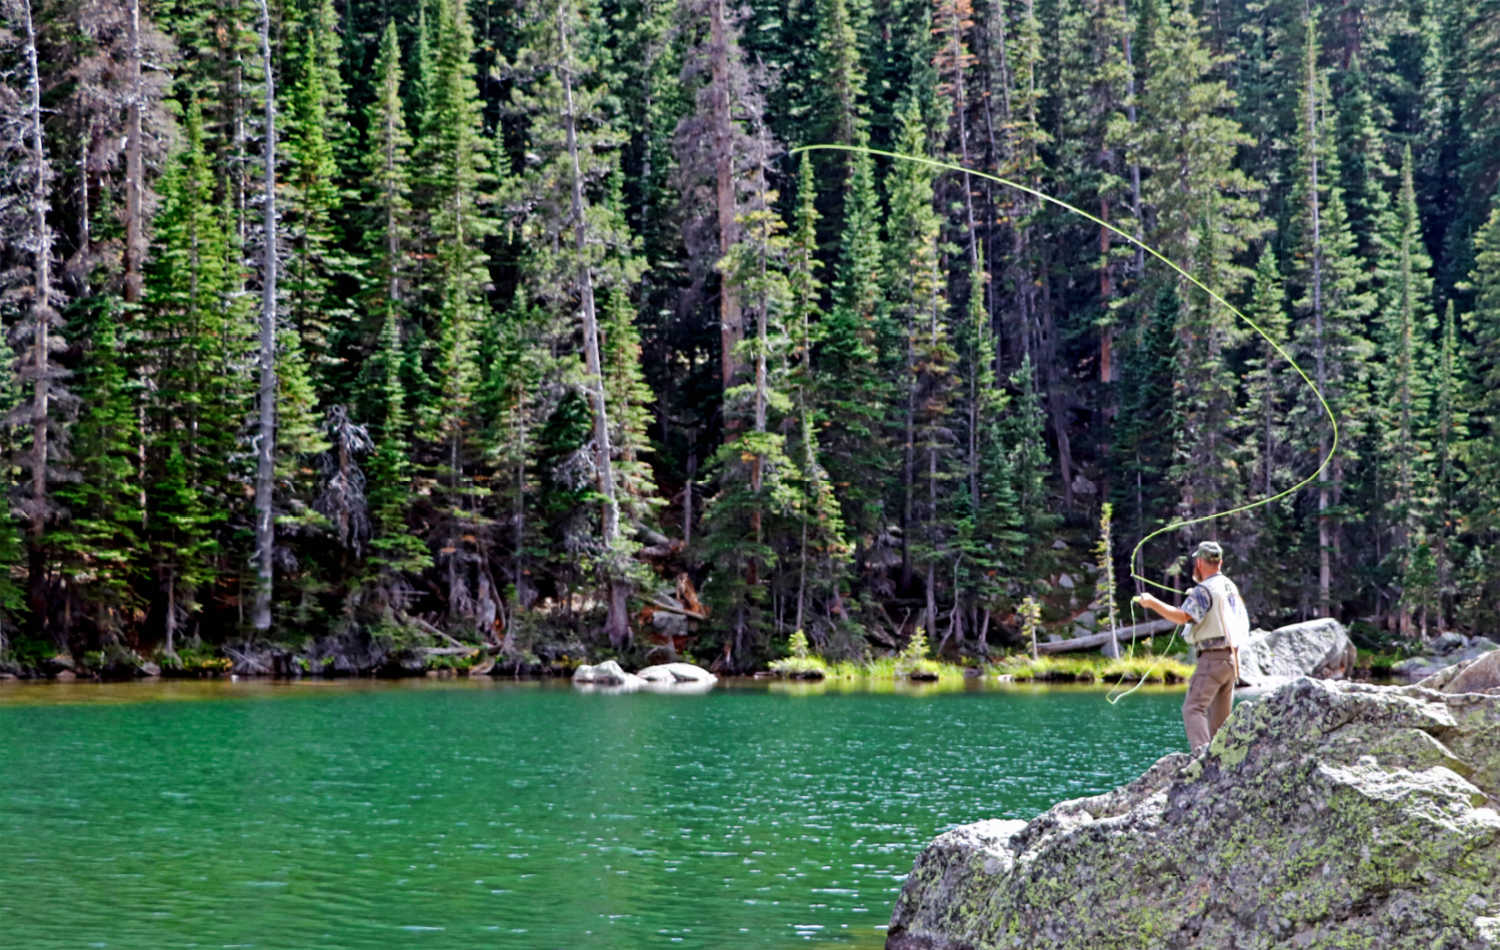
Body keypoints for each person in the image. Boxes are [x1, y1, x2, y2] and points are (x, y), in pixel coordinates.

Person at [1134, 540, 1249, 752]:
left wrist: (1151, 602)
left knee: (1193, 708)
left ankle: (1201, 759)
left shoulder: (1204, 590)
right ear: (1220, 562)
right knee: (1220, 724)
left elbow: (1181, 617)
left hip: (1212, 659)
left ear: (1199, 562)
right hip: (1232, 660)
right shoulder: (1229, 586)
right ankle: (1222, 764)